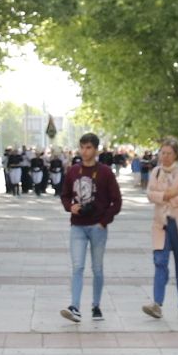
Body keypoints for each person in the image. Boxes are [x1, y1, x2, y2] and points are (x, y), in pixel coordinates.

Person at [59, 133, 122, 323]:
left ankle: (96, 305)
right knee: (77, 266)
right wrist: (71, 206)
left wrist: (104, 221)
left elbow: (117, 201)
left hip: (97, 227)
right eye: (82, 147)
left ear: (95, 150)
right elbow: (65, 195)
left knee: (97, 268)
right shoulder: (72, 171)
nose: (84, 151)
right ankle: (75, 307)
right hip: (77, 226)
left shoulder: (105, 172)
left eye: (88, 148)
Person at [143, 139, 178, 318]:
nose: (164, 156)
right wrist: (167, 195)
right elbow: (150, 194)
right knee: (160, 261)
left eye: (168, 153)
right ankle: (157, 303)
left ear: (176, 154)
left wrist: (167, 199)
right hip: (161, 224)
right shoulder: (156, 172)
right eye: (162, 153)